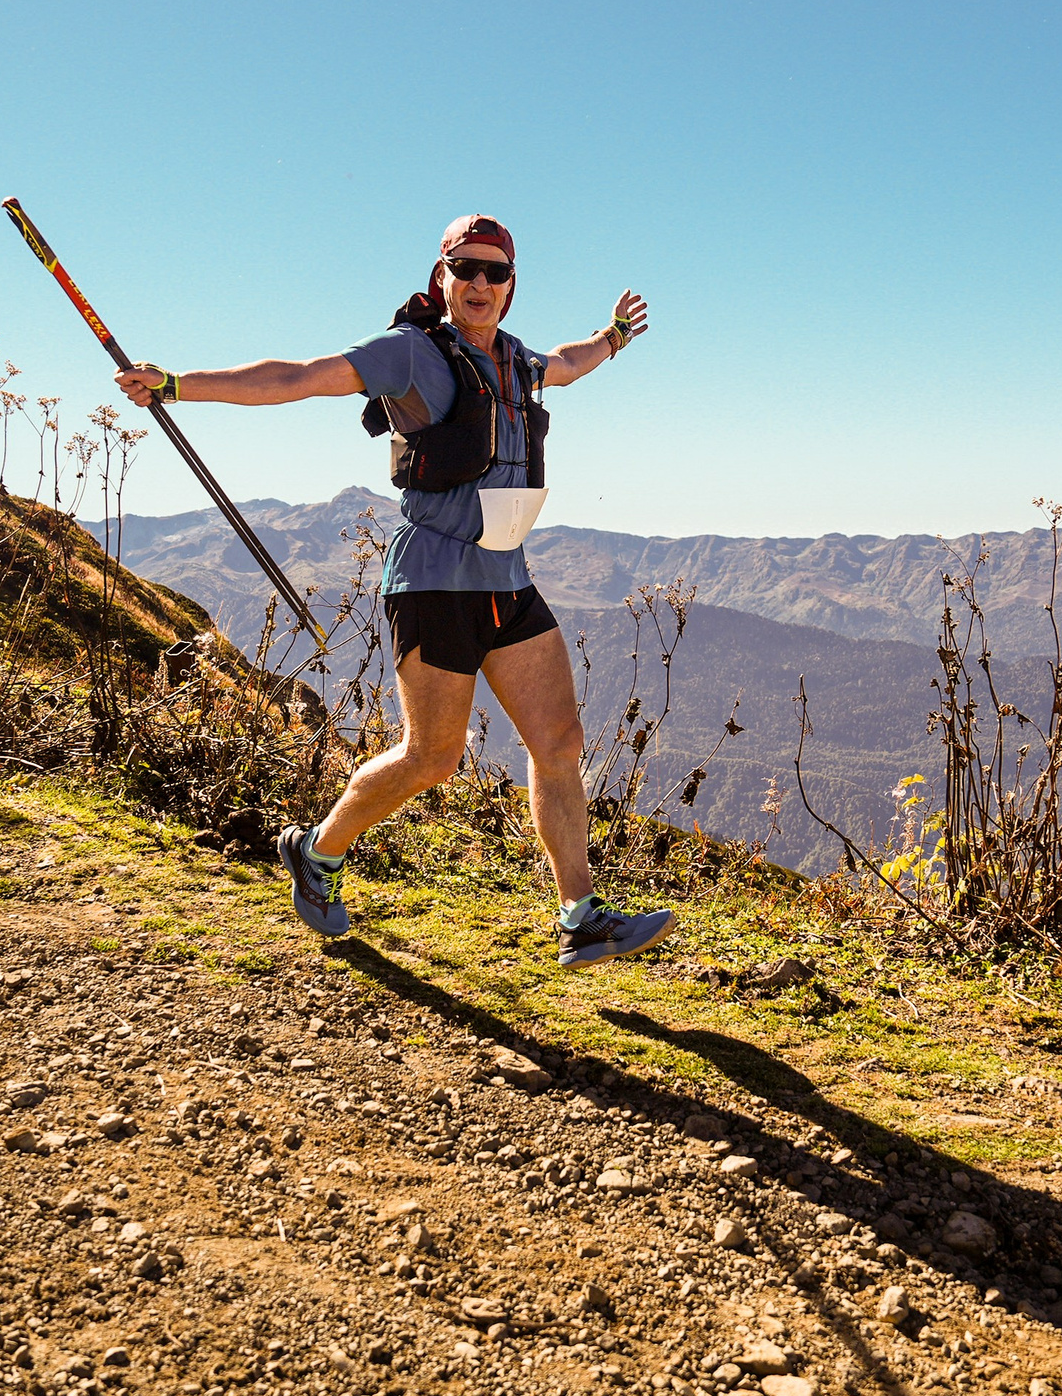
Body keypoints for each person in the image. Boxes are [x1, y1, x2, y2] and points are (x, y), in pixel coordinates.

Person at [113, 215, 676, 968]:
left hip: (507, 579)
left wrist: (614, 336)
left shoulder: (518, 361)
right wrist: (179, 385)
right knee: (432, 757)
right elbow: (299, 376)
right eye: (464, 268)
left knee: (559, 743)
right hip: (435, 583)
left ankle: (579, 914)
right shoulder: (411, 354)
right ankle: (317, 851)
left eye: (494, 273)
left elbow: (571, 362)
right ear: (441, 276)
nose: (479, 283)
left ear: (510, 288)